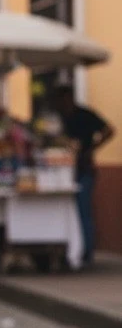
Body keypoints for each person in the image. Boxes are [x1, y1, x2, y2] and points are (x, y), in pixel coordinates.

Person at [53, 85, 115, 265]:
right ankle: (70, 249)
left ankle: (86, 252)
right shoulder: (59, 118)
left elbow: (109, 130)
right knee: (68, 211)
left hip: (83, 169)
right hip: (63, 169)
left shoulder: (84, 115)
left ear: (69, 98)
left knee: (83, 210)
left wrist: (93, 148)